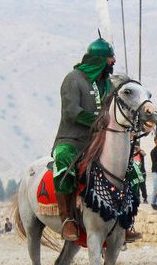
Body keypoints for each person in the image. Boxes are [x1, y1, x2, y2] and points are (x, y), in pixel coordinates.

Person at [50, 37, 142, 242]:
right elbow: (71, 111)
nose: (114, 61)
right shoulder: (73, 79)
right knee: (64, 160)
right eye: (110, 58)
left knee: (133, 170)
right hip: (72, 139)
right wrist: (98, 120)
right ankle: (67, 220)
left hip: (100, 142)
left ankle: (126, 222)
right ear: (99, 59)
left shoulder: (108, 84)